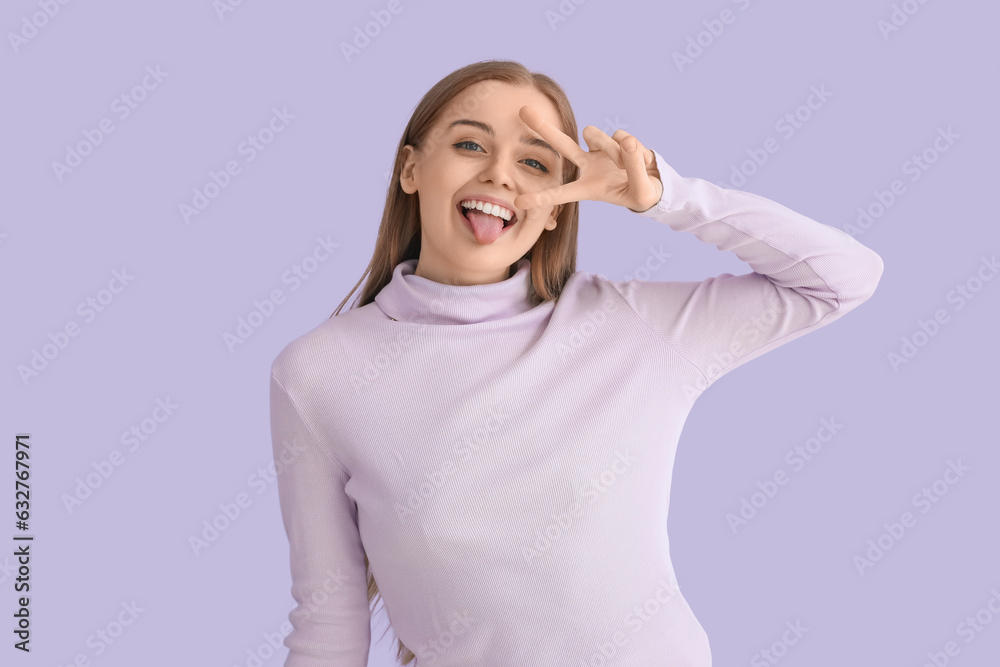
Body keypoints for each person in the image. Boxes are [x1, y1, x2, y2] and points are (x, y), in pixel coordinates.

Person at [268, 59, 883, 667]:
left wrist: (665, 196)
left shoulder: (633, 326)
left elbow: (842, 279)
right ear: (411, 169)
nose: (500, 176)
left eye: (534, 162)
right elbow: (329, 627)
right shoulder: (319, 373)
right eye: (469, 144)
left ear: (557, 207)